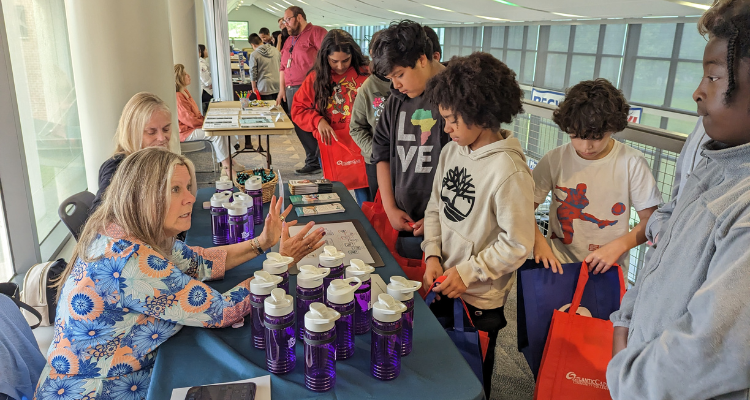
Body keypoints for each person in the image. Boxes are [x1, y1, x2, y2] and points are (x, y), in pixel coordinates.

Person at [34, 147, 326, 400]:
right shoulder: (130, 261)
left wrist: (262, 244)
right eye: (175, 190)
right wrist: (279, 265)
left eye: (187, 187)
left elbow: (200, 261)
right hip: (97, 390)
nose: (190, 198)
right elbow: (223, 311)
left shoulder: (125, 229)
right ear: (144, 196)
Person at [607, 1, 750, 398]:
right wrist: (626, 321)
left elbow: (710, 350)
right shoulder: (713, 163)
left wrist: (625, 376)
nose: (698, 92)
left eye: (714, 76)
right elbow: (661, 252)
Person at [421, 52, 534, 398]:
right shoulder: (452, 152)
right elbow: (435, 208)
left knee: (470, 380)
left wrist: (468, 273)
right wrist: (431, 255)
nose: (446, 129)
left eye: (453, 120)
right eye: (443, 120)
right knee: (436, 371)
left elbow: (517, 244)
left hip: (481, 301)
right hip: (443, 281)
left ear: (481, 113)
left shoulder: (508, 171)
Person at [531, 79, 661, 279]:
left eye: (596, 137)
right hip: (558, 265)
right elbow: (521, 208)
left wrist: (620, 246)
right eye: (576, 136)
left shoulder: (631, 162)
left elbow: (650, 219)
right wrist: (538, 241)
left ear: (613, 128)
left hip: (608, 271)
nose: (586, 147)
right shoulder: (554, 159)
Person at [370, 20, 450, 260]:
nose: (396, 85)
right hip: (404, 220)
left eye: (400, 75)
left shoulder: (457, 95)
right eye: (391, 78)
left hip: (449, 221)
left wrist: (441, 216)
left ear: (422, 59)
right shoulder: (397, 98)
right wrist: (390, 208)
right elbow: (380, 151)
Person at [291, 30, 370, 204]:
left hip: (362, 143)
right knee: (334, 196)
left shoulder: (366, 73)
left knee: (366, 195)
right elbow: (298, 109)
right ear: (325, 57)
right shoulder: (316, 77)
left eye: (345, 61)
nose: (340, 67)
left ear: (353, 55)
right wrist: (317, 121)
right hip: (331, 144)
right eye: (334, 61)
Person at [90, 92, 173, 217]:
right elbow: (99, 217)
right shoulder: (116, 167)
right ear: (133, 133)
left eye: (166, 129)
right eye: (151, 132)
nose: (162, 138)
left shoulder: (158, 160)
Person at [277, 6, 328, 174]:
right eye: (284, 21)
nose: (285, 24)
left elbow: (329, 56)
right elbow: (283, 66)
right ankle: (313, 160)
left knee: (311, 123)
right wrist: (281, 89)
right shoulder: (289, 40)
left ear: (299, 17)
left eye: (288, 20)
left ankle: (321, 159)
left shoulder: (316, 32)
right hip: (291, 88)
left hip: (310, 87)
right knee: (299, 124)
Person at [174, 63, 243, 175]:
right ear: (179, 78)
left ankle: (231, 162)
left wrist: (208, 121)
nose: (188, 75)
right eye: (185, 74)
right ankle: (227, 168)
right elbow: (190, 120)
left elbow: (195, 115)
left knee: (221, 130)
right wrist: (207, 122)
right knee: (215, 134)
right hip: (186, 131)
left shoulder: (185, 91)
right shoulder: (178, 96)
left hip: (194, 126)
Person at [350, 30, 389, 200]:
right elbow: (356, 127)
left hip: (408, 163)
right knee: (379, 206)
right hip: (377, 161)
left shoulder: (413, 85)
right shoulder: (369, 86)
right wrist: (374, 151)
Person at [247, 33, 280, 101]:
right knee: (278, 109)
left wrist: (254, 87)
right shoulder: (275, 50)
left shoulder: (254, 54)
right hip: (278, 84)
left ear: (252, 45)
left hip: (264, 86)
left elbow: (253, 72)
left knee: (266, 110)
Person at [198, 44, 213, 110]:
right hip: (205, 91)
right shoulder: (201, 64)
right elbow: (208, 82)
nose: (207, 51)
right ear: (200, 52)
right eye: (206, 50)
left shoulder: (203, 62)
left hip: (206, 89)